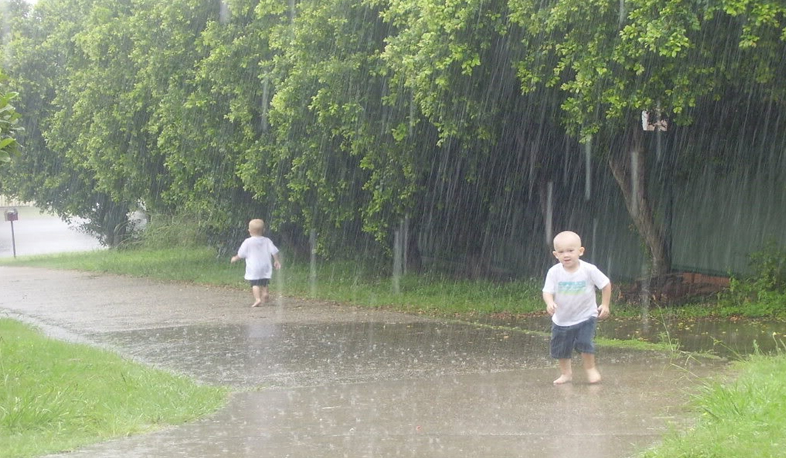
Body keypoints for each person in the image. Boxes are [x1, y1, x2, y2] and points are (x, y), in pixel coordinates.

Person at [542, 230, 611, 385]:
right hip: (562, 319)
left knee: (585, 343)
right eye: (561, 252)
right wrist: (549, 302)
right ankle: (566, 374)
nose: (566, 255)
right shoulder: (554, 272)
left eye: (570, 251)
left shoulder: (589, 269)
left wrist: (605, 304)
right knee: (561, 349)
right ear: (556, 254)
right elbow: (547, 291)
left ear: (580, 251)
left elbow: (605, 284)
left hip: (586, 316)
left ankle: (590, 369)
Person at [231, 218, 281, 307]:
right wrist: (276, 260)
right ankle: (265, 293)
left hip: (254, 267)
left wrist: (235, 258)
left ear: (249, 231)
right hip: (265, 265)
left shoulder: (248, 242)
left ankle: (257, 299)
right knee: (264, 281)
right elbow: (274, 251)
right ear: (264, 230)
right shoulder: (267, 240)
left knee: (255, 283)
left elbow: (241, 254)